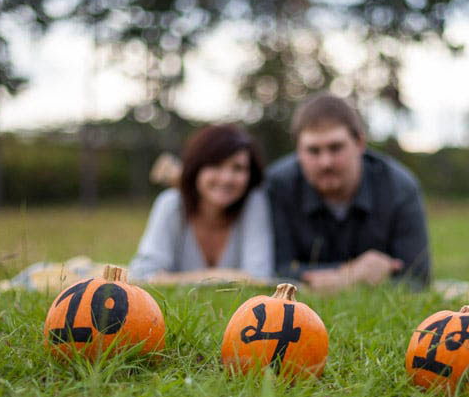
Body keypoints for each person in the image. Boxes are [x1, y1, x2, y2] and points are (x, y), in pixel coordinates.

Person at [265, 92, 431, 291]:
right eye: (313, 151)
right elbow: (274, 269)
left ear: (360, 143)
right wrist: (351, 274)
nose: (325, 162)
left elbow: (417, 277)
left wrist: (321, 278)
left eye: (335, 148)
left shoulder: (400, 187)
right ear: (298, 151)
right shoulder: (277, 185)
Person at [129, 124, 274, 283]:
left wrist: (172, 279)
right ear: (196, 167)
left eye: (238, 168)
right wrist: (232, 276)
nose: (226, 178)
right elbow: (143, 273)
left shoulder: (253, 203)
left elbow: (259, 277)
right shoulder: (171, 204)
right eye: (215, 165)